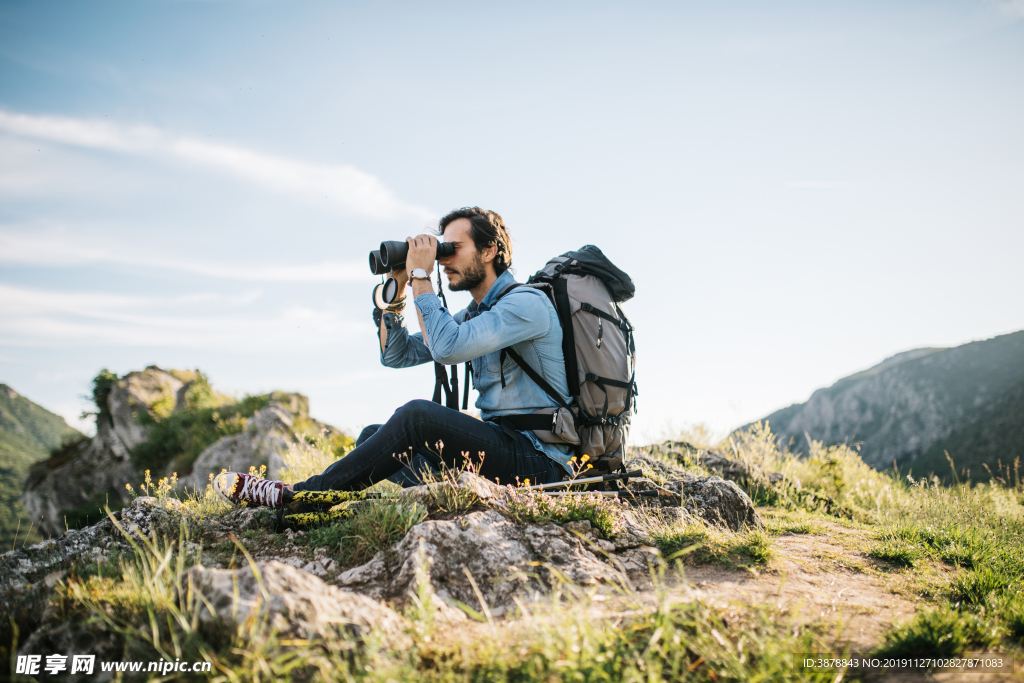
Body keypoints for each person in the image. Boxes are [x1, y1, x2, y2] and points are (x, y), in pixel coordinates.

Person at [225, 207, 574, 508]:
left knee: (416, 416)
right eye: (441, 250)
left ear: (488, 251)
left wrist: (422, 274)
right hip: (499, 448)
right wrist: (399, 290)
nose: (444, 259)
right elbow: (398, 355)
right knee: (374, 438)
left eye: (453, 248)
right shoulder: (475, 314)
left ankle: (304, 496)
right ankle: (452, 498)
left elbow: (447, 348)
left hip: (539, 460)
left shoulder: (525, 304)